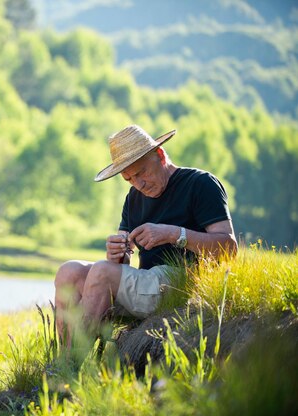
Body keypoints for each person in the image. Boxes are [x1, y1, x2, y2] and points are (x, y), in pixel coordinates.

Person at [54, 125, 237, 344]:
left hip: (183, 283)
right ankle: (62, 364)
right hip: (145, 287)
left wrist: (173, 234)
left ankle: (71, 363)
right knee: (68, 272)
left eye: (141, 172)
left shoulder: (200, 184)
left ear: (159, 155)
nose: (138, 184)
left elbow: (230, 248)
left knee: (101, 272)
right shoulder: (133, 198)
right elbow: (122, 263)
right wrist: (116, 254)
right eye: (128, 179)